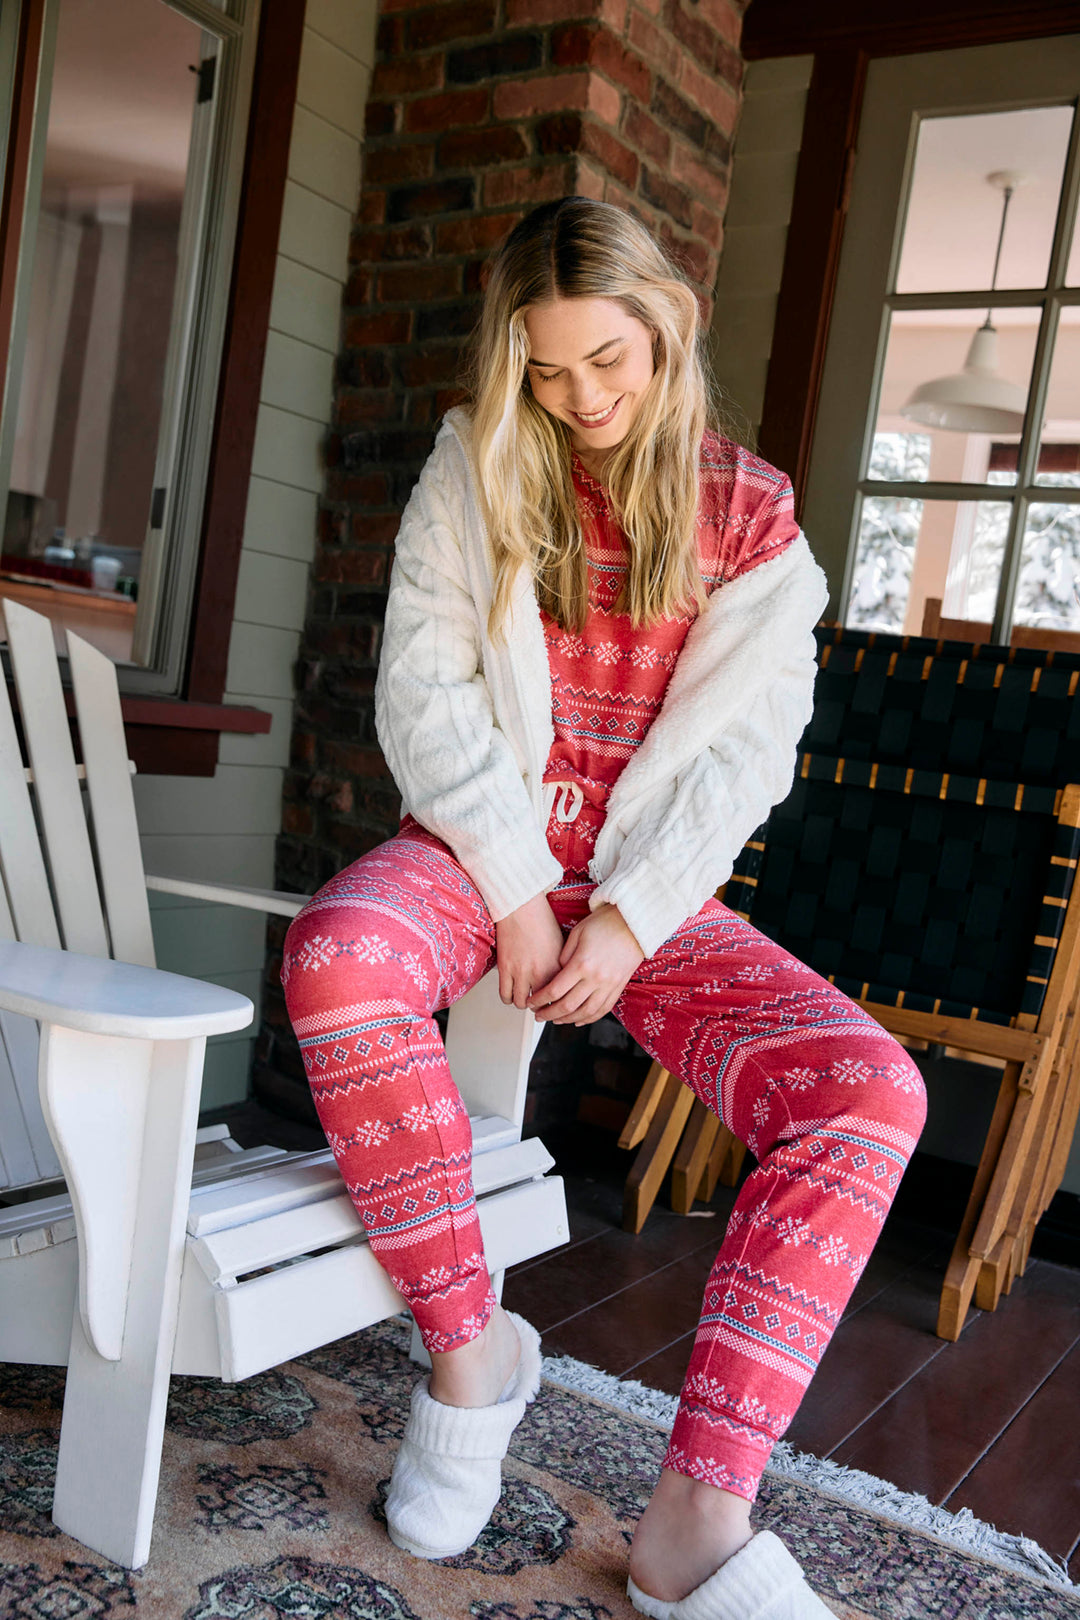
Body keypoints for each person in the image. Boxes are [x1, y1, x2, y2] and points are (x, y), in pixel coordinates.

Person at [282, 196, 927, 1620]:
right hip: (477, 856)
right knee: (338, 957)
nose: (581, 399)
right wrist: (515, 890)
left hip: (651, 898)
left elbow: (743, 758)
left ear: (672, 327)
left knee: (867, 1094)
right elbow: (424, 688)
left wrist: (624, 921)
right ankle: (471, 1357)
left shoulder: (752, 520)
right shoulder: (477, 464)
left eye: (610, 361)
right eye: (548, 367)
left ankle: (698, 1514)